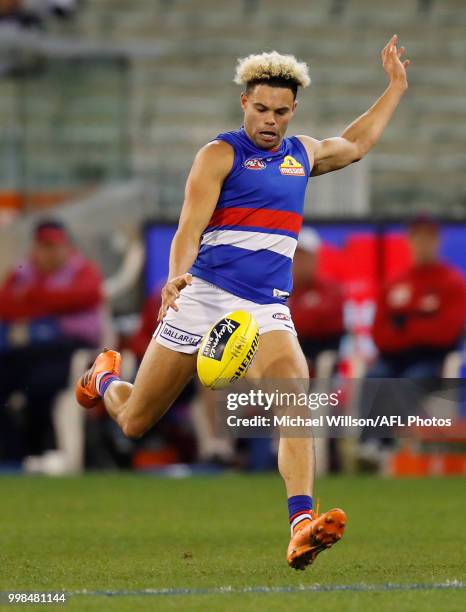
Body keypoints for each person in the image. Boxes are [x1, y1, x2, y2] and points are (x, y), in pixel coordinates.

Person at [76, 37, 410, 569]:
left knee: (295, 398)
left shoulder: (302, 154)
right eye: (261, 109)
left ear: (293, 110)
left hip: (265, 310)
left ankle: (301, 525)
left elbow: (355, 143)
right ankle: (105, 381)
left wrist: (395, 88)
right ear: (244, 104)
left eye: (280, 111)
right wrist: (174, 278)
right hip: (203, 296)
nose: (270, 120)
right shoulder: (219, 154)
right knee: (136, 420)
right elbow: (188, 228)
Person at [0, 220, 105, 460]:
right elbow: (5, 305)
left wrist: (31, 300)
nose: (50, 253)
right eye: (44, 246)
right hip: (24, 350)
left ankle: (40, 451)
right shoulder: (22, 272)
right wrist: (49, 308)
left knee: (42, 387)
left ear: (67, 247)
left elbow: (83, 296)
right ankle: (13, 454)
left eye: (55, 246)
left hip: (70, 350)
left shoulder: (83, 270)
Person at [371, 215, 466, 378]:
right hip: (392, 358)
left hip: (433, 360)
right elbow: (378, 333)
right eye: (418, 236)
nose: (423, 243)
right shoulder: (394, 282)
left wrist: (404, 325)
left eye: (428, 237)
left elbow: (447, 332)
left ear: (438, 240)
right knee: (374, 378)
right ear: (409, 240)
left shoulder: (453, 282)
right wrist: (422, 322)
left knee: (413, 379)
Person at [289, 227, 344, 374]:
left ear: (315, 258)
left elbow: (320, 321)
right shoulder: (279, 289)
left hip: (317, 357)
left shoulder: (330, 289)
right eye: (295, 255)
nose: (298, 261)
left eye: (303, 256)